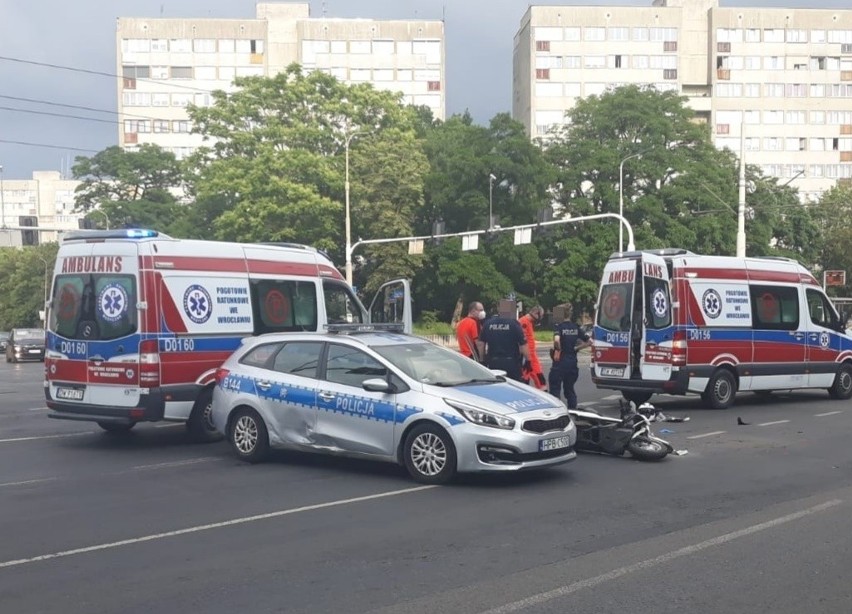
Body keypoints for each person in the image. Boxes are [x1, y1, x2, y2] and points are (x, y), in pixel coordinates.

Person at [548, 305, 592, 408]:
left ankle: (557, 411)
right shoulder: (575, 327)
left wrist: (558, 349)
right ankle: (573, 411)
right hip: (572, 363)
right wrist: (577, 348)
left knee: (555, 389)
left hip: (560, 363)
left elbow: (556, 340)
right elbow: (589, 341)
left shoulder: (559, 326)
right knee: (569, 389)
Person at [477, 304, 529, 382]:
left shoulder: (488, 324)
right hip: (511, 362)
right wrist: (528, 360)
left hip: (493, 362)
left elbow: (481, 344)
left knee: (496, 385)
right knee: (514, 386)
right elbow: (523, 345)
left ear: (499, 310)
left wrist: (482, 360)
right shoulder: (514, 324)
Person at [518, 305, 547, 389]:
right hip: (528, 356)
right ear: (536, 313)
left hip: (530, 356)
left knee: (529, 379)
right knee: (538, 379)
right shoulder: (524, 322)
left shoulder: (528, 322)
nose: (541, 318)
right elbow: (522, 341)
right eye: (541, 315)